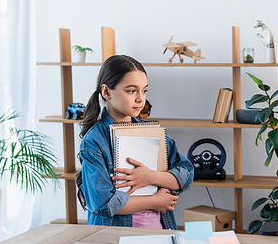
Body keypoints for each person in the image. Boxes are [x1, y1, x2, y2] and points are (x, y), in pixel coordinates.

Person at [76, 55, 194, 229]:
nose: (140, 99)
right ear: (106, 92)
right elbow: (103, 204)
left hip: (160, 231)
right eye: (131, 91)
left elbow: (187, 175)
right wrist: (155, 201)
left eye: (144, 90)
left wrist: (151, 177)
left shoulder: (153, 131)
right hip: (115, 236)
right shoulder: (94, 141)